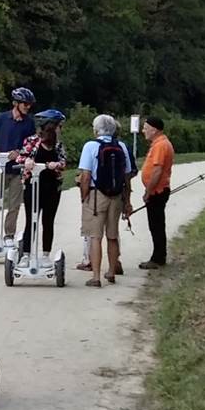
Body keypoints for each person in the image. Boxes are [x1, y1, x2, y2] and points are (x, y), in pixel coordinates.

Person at [77, 114, 135, 287]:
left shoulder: (90, 146)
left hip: (96, 195)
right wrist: (127, 200)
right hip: (116, 196)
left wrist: (84, 197)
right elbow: (127, 176)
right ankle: (111, 271)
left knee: (95, 237)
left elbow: (86, 176)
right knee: (112, 235)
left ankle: (96, 276)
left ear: (96, 130)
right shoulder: (122, 146)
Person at [0, 86, 35, 243]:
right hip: (0, 166)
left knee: (14, 205)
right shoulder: (2, 119)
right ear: (16, 103)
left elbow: (32, 145)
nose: (27, 107)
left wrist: (20, 153)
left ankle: (9, 235)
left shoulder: (29, 123)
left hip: (17, 168)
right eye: (25, 104)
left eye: (29, 104)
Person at [18, 108, 68, 257]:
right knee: (31, 220)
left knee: (48, 221)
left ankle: (46, 255)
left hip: (52, 187)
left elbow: (63, 162)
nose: (61, 129)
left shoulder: (58, 145)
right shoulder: (32, 141)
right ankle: (26, 254)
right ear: (51, 126)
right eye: (59, 125)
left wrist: (56, 165)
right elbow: (20, 158)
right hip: (33, 185)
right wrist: (27, 161)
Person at [137, 117, 174, 270]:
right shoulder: (160, 143)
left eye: (146, 127)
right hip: (158, 190)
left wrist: (148, 191)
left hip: (157, 191)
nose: (143, 130)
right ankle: (159, 256)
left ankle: (158, 258)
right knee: (157, 224)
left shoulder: (160, 145)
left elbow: (157, 170)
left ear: (154, 129)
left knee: (156, 225)